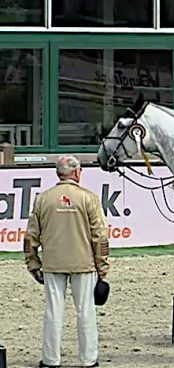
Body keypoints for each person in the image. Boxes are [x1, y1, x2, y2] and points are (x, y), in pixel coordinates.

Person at [24, 155, 109, 368]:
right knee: (86, 311)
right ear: (77, 172)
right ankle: (89, 360)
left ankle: (51, 360)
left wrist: (33, 264)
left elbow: (31, 236)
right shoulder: (89, 198)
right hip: (84, 263)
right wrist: (103, 266)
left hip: (53, 263)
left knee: (54, 312)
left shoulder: (43, 198)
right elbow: (100, 236)